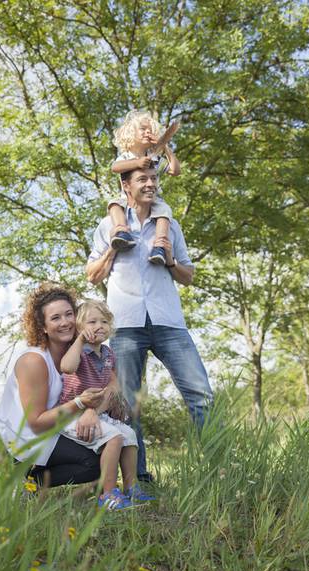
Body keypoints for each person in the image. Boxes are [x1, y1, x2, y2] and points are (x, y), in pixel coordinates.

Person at [86, 166, 213, 482]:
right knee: (128, 405)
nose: (151, 184)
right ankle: (138, 479)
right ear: (125, 185)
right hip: (126, 323)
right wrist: (112, 253)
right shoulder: (108, 226)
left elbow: (188, 276)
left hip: (168, 321)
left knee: (201, 395)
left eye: (154, 179)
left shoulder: (169, 227)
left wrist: (170, 261)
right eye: (143, 179)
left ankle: (219, 468)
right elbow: (92, 275)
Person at [0, 284, 106, 487]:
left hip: (47, 433)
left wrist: (92, 410)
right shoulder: (34, 361)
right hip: (15, 442)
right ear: (42, 327)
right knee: (92, 462)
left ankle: (31, 482)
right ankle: (21, 480)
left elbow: (112, 383)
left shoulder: (80, 352)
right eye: (55, 318)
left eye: (69, 314)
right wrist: (80, 403)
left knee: (100, 458)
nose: (65, 323)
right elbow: (35, 422)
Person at [59, 299, 155, 509]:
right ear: (80, 328)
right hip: (72, 413)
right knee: (114, 437)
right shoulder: (78, 351)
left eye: (104, 321)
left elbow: (114, 387)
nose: (99, 326)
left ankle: (131, 487)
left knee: (129, 436)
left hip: (96, 412)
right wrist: (79, 340)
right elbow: (66, 367)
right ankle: (108, 493)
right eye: (92, 322)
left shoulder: (108, 353)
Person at [108, 110, 181, 266]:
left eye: (151, 130)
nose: (148, 132)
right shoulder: (127, 156)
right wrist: (136, 163)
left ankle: (159, 246)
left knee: (164, 211)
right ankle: (122, 232)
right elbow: (115, 167)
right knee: (114, 205)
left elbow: (175, 170)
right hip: (127, 199)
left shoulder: (155, 157)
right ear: (130, 133)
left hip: (152, 199)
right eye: (143, 129)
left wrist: (165, 147)